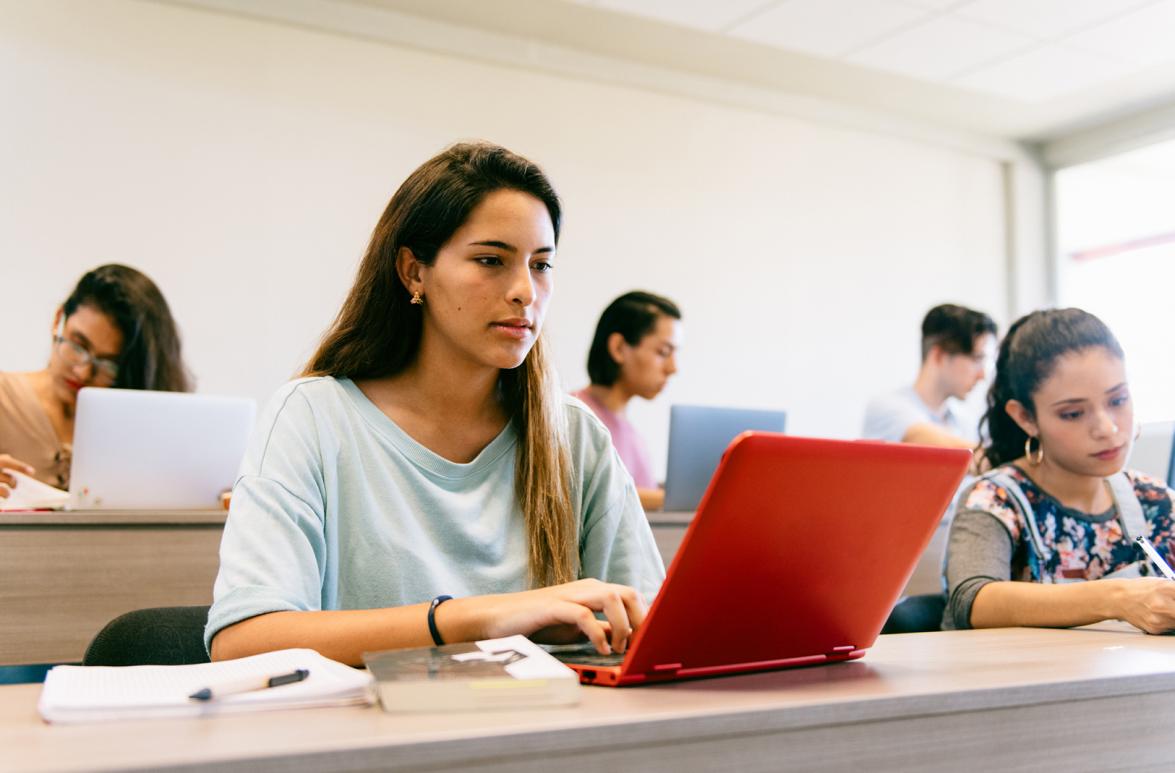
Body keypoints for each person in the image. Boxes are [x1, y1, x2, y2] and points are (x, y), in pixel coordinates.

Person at [206, 143, 665, 666]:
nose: (524, 291)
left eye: (541, 265)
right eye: (491, 260)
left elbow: (649, 626)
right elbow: (243, 639)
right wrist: (480, 619)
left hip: (544, 734)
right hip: (369, 738)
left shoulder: (574, 435)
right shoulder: (312, 417)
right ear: (413, 272)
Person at [942, 308, 1175, 633]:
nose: (1107, 428)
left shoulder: (1156, 501)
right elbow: (973, 600)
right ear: (1026, 418)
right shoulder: (995, 500)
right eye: (1073, 414)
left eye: (1118, 400)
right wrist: (1116, 598)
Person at [0, 264, 191, 497]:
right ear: (59, 319)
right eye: (78, 346)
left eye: (107, 364)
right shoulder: (5, 396)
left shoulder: (140, 428)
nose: (82, 372)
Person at [574, 291, 681, 511]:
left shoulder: (633, 436)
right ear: (619, 348)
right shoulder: (573, 417)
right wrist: (674, 500)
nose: (673, 368)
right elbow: (587, 495)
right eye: (663, 352)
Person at [863, 303, 997, 450]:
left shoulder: (966, 421)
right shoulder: (887, 409)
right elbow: (924, 439)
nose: (982, 375)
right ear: (939, 355)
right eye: (977, 359)